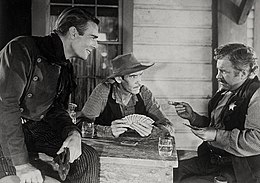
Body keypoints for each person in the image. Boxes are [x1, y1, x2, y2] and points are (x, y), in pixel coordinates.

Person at [0, 7, 100, 183]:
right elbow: (6, 105)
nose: (96, 45)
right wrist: (22, 165)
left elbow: (55, 109)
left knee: (86, 157)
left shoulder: (66, 67)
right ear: (74, 32)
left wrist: (73, 133)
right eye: (93, 37)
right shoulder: (21, 49)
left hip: (34, 128)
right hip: (5, 128)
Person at [170, 43, 260, 183]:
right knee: (170, 173)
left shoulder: (256, 96)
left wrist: (216, 135)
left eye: (223, 71)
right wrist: (193, 117)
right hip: (212, 161)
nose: (218, 76)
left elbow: (257, 140)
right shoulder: (225, 91)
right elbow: (219, 126)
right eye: (218, 70)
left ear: (242, 73)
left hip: (239, 169)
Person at [78, 53, 174, 138]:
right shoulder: (103, 91)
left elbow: (169, 127)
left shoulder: (144, 92)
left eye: (140, 75)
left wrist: (153, 131)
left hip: (139, 150)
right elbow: (80, 125)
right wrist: (108, 131)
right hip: (107, 150)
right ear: (119, 79)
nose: (139, 82)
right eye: (133, 76)